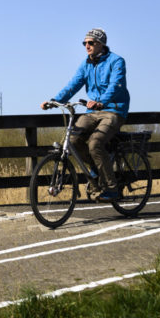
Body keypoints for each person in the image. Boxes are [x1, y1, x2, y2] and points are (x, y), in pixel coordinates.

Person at [41, 28, 130, 201]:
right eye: (85, 43)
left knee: (95, 143)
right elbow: (73, 84)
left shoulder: (116, 61)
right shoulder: (86, 64)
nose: (87, 46)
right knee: (73, 140)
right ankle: (97, 172)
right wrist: (54, 100)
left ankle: (111, 188)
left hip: (113, 110)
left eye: (91, 43)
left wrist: (102, 101)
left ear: (101, 44)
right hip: (92, 111)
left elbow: (116, 85)